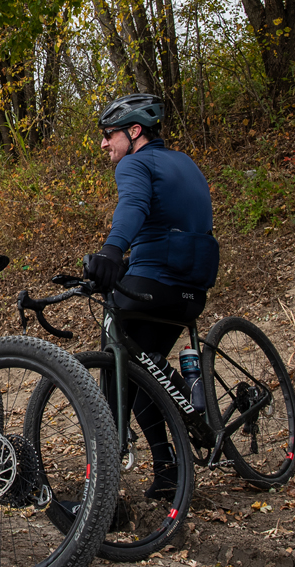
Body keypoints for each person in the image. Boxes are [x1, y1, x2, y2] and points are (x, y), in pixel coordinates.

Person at [83, 93, 219, 499]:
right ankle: (169, 463)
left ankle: (104, 485)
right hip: (192, 288)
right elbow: (177, 220)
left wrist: (112, 251)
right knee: (145, 365)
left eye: (109, 135)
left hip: (157, 280)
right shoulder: (185, 162)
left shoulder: (134, 163)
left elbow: (134, 204)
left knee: (117, 362)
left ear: (134, 131)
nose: (104, 144)